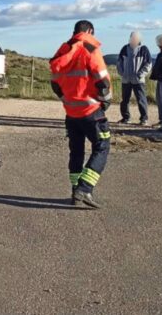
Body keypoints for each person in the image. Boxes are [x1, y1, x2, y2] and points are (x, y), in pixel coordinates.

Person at [50, 20, 112, 209]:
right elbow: (103, 81)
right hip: (91, 111)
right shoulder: (90, 47)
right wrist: (105, 101)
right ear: (90, 31)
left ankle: (76, 191)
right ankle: (84, 190)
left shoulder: (63, 50)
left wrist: (65, 99)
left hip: (71, 112)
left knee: (76, 152)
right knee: (102, 147)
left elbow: (54, 82)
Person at [117, 31, 152, 126]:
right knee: (125, 100)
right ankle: (126, 118)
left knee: (141, 99)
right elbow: (119, 62)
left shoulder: (144, 49)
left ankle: (144, 119)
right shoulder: (125, 48)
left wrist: (140, 75)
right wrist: (122, 73)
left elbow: (148, 64)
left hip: (138, 80)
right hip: (126, 79)